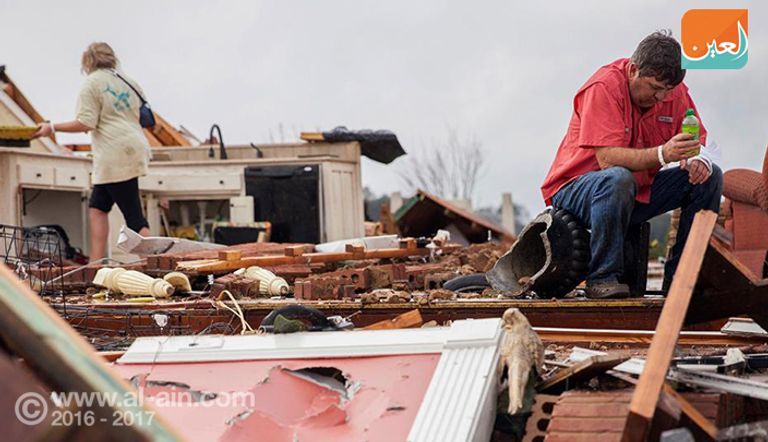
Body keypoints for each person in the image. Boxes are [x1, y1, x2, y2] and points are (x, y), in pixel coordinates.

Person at [540, 31, 723, 299]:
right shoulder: (603, 87)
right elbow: (608, 160)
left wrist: (699, 159)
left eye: (667, 91)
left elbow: (700, 139)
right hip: (576, 190)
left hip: (633, 191)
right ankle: (602, 278)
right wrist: (663, 154)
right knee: (617, 178)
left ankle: (682, 281)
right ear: (633, 70)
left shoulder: (674, 92)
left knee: (710, 178)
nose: (661, 97)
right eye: (654, 88)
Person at [33, 42, 151, 262]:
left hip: (113, 152)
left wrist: (52, 127)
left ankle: (154, 263)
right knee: (98, 207)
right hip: (132, 146)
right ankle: (95, 265)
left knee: (134, 218)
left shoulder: (92, 84)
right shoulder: (127, 81)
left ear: (86, 62)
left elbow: (86, 122)